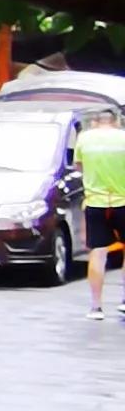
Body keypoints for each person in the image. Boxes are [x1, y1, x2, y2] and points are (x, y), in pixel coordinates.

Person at [77, 104, 125, 318]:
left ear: (95, 121)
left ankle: (96, 307)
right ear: (116, 121)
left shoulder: (84, 139)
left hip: (95, 203)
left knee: (98, 253)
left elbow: (79, 167)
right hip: (123, 201)